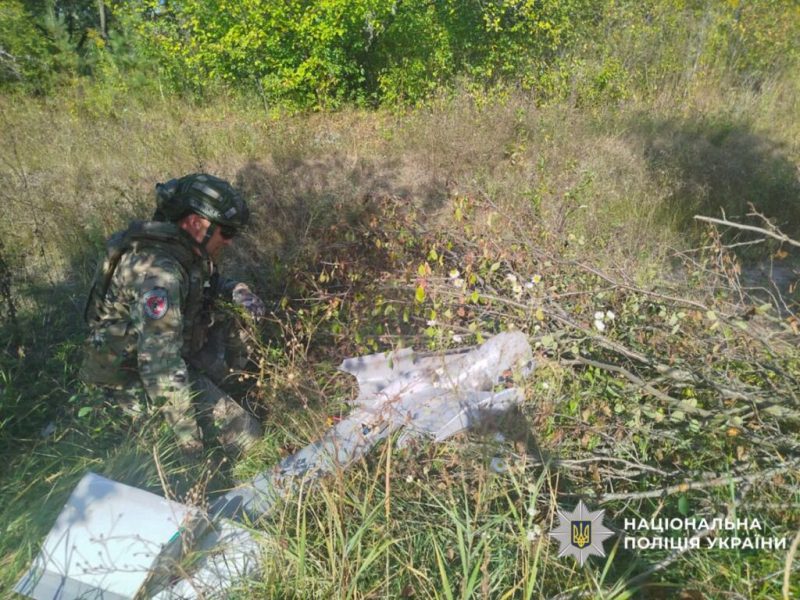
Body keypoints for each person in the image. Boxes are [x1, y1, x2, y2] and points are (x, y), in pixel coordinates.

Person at [80, 173, 266, 461]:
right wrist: (188, 449)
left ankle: (227, 390)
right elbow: (161, 368)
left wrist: (238, 291)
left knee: (235, 323)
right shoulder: (160, 273)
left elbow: (207, 284)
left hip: (171, 353)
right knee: (251, 442)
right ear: (195, 223)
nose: (229, 242)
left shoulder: (185, 251)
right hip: (131, 378)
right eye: (225, 232)